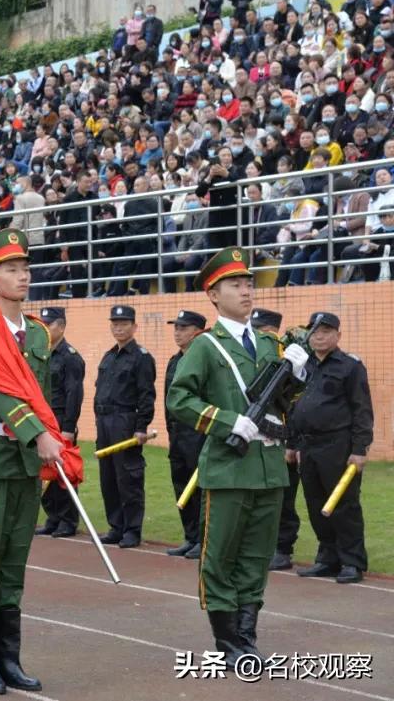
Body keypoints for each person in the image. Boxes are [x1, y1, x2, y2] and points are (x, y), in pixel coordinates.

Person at [167, 247, 309, 664]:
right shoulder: (206, 346)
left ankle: (247, 635)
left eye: (248, 283)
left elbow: (285, 402)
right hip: (229, 468)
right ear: (214, 295)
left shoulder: (269, 344)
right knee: (220, 556)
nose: (246, 291)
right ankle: (227, 639)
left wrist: (299, 374)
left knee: (257, 556)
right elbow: (179, 398)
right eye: (235, 285)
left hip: (268, 468)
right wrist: (226, 421)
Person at [0, 229, 62, 695]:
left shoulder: (38, 332)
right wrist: (36, 433)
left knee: (14, 563)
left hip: (25, 463)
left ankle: (10, 659)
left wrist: (53, 434)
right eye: (12, 270)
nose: (23, 277)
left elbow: (43, 394)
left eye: (25, 268)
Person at [289, 313, 373, 585]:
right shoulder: (303, 365)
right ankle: (328, 558)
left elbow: (362, 409)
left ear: (338, 335)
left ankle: (352, 561)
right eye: (314, 331)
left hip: (338, 445)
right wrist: (291, 444)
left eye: (326, 331)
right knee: (315, 503)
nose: (319, 336)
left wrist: (360, 449)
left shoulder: (350, 366)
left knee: (344, 505)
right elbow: (293, 405)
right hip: (307, 445)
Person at [94, 305, 156, 548]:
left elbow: (146, 395)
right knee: (108, 476)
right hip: (104, 421)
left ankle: (132, 529)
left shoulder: (141, 357)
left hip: (125, 421)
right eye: (115, 323)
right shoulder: (109, 356)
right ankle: (116, 526)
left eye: (123, 323)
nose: (118, 328)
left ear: (134, 326)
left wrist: (141, 426)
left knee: (128, 476)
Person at [250, 309, 298, 571]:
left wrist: (293, 444)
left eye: (260, 330)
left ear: (272, 331)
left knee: (283, 498)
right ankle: (262, 545)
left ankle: (283, 548)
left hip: (284, 439)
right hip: (258, 438)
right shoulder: (257, 358)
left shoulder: (288, 359)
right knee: (259, 497)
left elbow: (297, 404)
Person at [35, 307, 84, 539]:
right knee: (46, 471)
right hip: (43, 420)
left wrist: (68, 428)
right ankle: (53, 517)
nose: (44, 328)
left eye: (49, 324)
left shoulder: (70, 357)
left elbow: (74, 394)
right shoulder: (41, 354)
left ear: (61, 326)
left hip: (60, 420)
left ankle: (67, 520)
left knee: (64, 473)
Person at [163, 310, 207, 560]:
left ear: (197, 332)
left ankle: (203, 539)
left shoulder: (204, 360)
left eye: (183, 328)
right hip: (178, 433)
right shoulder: (174, 360)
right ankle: (190, 537)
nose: (177, 332)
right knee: (180, 484)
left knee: (199, 488)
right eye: (176, 328)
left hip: (197, 432)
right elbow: (169, 399)